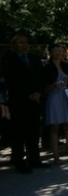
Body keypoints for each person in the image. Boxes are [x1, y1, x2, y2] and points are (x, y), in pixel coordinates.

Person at [1, 33, 47, 173]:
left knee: (33, 131)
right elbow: (10, 81)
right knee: (19, 133)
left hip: (35, 100)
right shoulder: (8, 60)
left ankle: (34, 159)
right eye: (20, 42)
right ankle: (19, 161)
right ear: (14, 45)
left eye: (25, 42)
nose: (24, 45)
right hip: (18, 101)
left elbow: (41, 77)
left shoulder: (34, 59)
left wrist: (38, 92)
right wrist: (27, 95)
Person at [42, 43, 68, 164]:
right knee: (55, 127)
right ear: (50, 53)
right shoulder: (46, 66)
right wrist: (52, 85)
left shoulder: (67, 66)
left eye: (60, 51)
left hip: (66, 96)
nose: (58, 53)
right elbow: (42, 85)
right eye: (56, 51)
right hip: (54, 98)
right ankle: (56, 157)